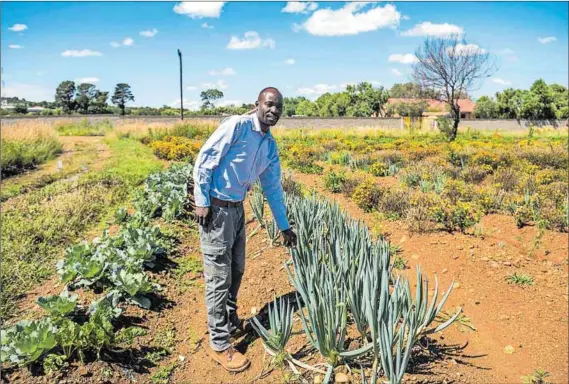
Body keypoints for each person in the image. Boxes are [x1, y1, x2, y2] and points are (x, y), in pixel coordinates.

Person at [192, 86, 297, 372]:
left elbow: (273, 188)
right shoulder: (237, 126)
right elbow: (205, 159)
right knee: (218, 277)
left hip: (237, 209)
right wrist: (201, 200)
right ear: (258, 104)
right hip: (215, 209)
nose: (274, 111)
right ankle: (220, 344)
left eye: (279, 107)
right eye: (269, 104)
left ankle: (226, 318)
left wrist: (284, 226)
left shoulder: (268, 145)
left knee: (236, 269)